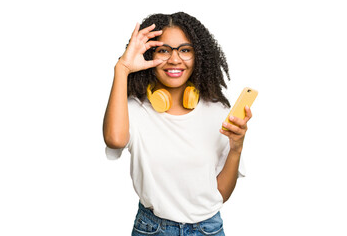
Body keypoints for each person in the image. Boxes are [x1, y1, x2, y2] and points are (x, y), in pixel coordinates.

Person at [103, 12, 253, 236]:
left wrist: (236, 149)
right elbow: (114, 140)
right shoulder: (134, 109)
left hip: (208, 229)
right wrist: (122, 69)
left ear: (198, 55)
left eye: (185, 50)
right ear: (149, 54)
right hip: (152, 229)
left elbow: (219, 194)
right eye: (164, 50)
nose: (174, 59)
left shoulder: (218, 111)